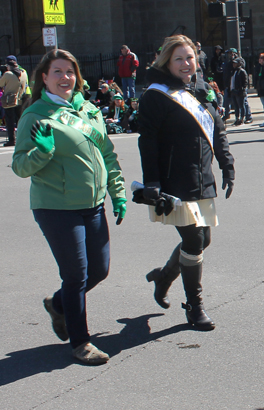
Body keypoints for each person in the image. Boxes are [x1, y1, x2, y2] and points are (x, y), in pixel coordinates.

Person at [12, 49, 127, 365]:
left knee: (99, 270)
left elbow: (107, 154)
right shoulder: (35, 115)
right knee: (76, 274)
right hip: (56, 208)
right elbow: (20, 166)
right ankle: (81, 343)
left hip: (92, 204)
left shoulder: (89, 110)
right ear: (44, 78)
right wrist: (42, 154)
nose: (65, 78)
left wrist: (117, 192)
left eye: (70, 72)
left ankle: (58, 304)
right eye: (58, 72)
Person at [137, 35, 235, 331]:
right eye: (178, 58)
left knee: (203, 240)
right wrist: (151, 181)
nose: (185, 63)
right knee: (193, 240)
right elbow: (148, 141)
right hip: (173, 181)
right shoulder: (156, 95)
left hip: (202, 177)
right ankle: (195, 306)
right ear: (166, 61)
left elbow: (217, 129)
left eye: (190, 58)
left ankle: (164, 276)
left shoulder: (201, 89)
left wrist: (226, 163)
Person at [0, 55, 28, 146]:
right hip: (20, 99)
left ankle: (12, 140)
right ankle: (22, 138)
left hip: (9, 101)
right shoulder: (23, 73)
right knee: (20, 120)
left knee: (10, 122)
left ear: (8, 66)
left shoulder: (8, 74)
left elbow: (1, 83)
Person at [230, 57, 248, 126]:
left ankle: (242, 118)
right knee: (236, 106)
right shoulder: (233, 71)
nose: (234, 64)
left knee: (241, 105)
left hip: (239, 91)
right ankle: (237, 118)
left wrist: (242, 90)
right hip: (233, 91)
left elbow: (245, 82)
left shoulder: (242, 71)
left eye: (235, 63)